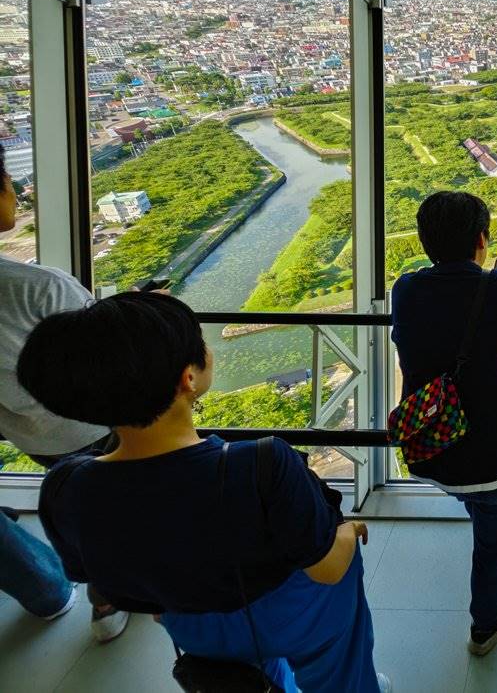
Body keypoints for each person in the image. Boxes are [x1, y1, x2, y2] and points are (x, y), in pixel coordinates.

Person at [19, 292, 388, 693]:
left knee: (254, 676)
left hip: (191, 625)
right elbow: (327, 568)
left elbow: (104, 580)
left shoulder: (66, 488)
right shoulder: (262, 465)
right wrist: (347, 533)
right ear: (188, 378)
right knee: (337, 653)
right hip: (290, 613)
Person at [390, 191, 497, 656]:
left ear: (425, 241)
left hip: (432, 448)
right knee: (494, 542)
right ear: (481, 239)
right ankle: (487, 622)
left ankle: (477, 507)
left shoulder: (405, 290)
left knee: (477, 501)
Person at [0, 147, 128, 640]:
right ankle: (146, 586)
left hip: (32, 435)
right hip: (95, 422)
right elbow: (106, 350)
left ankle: (108, 599)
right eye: (8, 178)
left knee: (86, 508)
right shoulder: (36, 287)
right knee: (140, 497)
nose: (16, 190)